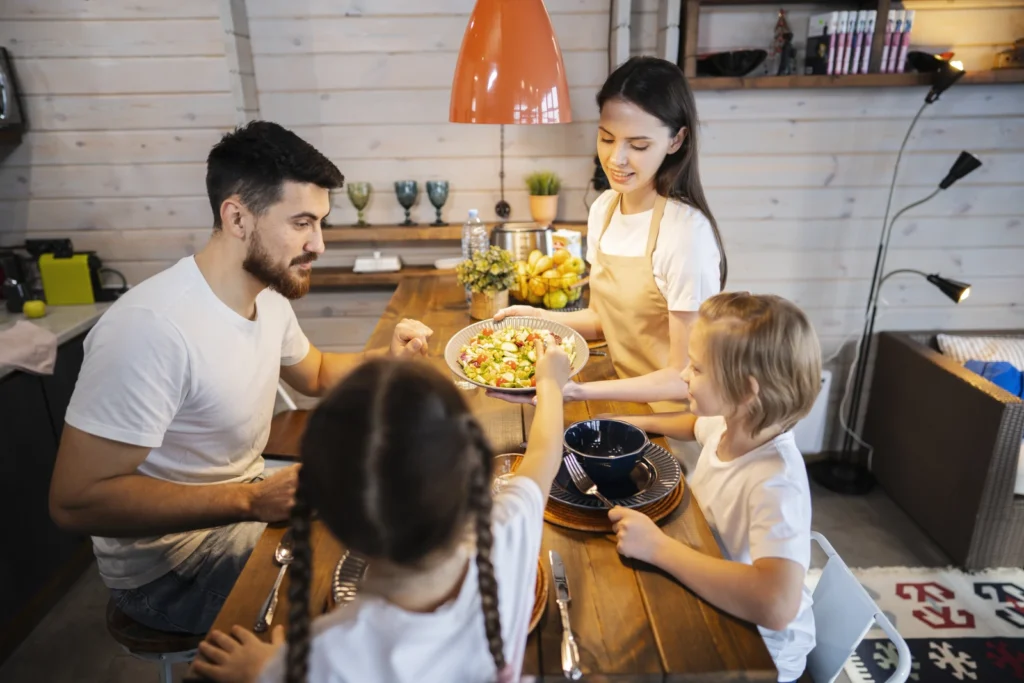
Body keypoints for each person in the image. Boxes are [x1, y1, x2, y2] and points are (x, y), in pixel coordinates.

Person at [47, 121, 433, 636]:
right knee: (377, 602)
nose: (318, 244)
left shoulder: (265, 295)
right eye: (301, 223)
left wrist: (388, 360)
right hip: (170, 569)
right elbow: (74, 502)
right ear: (237, 218)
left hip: (243, 504)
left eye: (321, 223)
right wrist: (250, 500)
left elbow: (315, 372)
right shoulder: (151, 329)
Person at [189, 340, 571, 683]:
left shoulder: (322, 659)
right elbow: (543, 453)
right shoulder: (507, 533)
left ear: (328, 519)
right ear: (474, 474)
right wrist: (549, 384)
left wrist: (265, 670)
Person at [492, 56, 726, 415]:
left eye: (639, 145)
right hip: (624, 405)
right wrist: (534, 316)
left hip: (676, 423)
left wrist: (574, 392)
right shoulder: (604, 209)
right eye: (606, 138)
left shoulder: (685, 234)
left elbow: (684, 377)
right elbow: (604, 320)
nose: (616, 158)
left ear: (676, 140)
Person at [606, 292, 821, 683]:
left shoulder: (775, 480)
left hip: (758, 653)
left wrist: (658, 548)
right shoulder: (734, 423)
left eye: (698, 369)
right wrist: (632, 423)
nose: (685, 375)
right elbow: (694, 427)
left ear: (745, 392)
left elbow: (776, 605)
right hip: (711, 584)